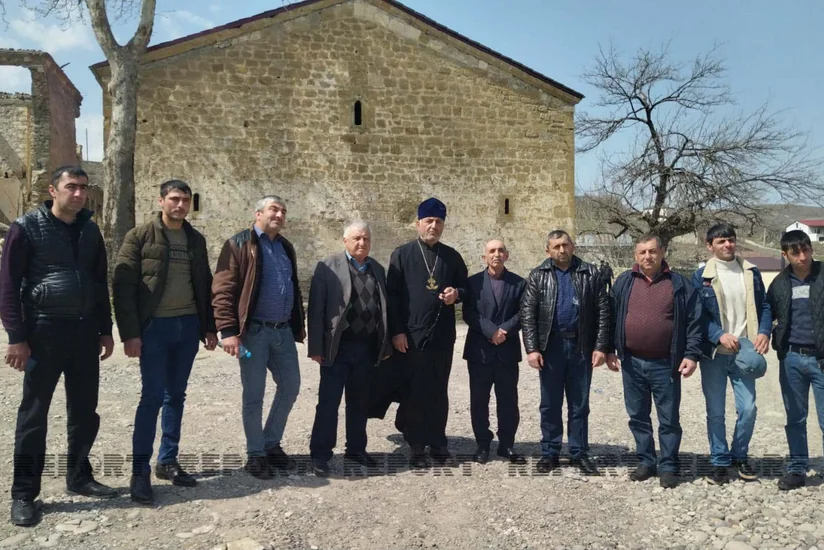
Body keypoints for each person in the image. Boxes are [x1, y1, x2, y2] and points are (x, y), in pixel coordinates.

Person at [0, 166, 116, 526]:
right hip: (43, 333)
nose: (79, 194)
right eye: (71, 187)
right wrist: (16, 337)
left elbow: (99, 283)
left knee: (84, 412)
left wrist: (105, 328)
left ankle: (79, 477)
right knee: (34, 417)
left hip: (83, 333)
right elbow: (7, 286)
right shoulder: (26, 228)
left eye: (83, 188)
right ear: (53, 190)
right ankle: (23, 494)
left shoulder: (90, 229)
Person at [113, 179, 218, 504]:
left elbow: (205, 283)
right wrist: (130, 333)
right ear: (161, 201)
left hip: (187, 328)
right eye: (174, 199)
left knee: (177, 396)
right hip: (154, 329)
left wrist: (209, 327)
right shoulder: (140, 236)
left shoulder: (195, 240)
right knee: (152, 397)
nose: (180, 205)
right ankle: (140, 472)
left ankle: (167, 460)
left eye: (185, 200)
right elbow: (123, 284)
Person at [212, 195, 305, 479]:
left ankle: (270, 443)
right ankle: (255, 454)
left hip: (282, 332)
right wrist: (228, 331)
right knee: (254, 395)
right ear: (258, 214)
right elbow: (223, 289)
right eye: (273, 209)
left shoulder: (285, 247)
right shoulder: (239, 244)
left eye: (283, 211)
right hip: (253, 333)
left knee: (291, 386)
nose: (279, 214)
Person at [607, 234, 702, 489]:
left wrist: (691, 354)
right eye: (642, 253)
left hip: (665, 364)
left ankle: (669, 464)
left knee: (669, 418)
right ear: (635, 256)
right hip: (631, 362)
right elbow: (611, 317)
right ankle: (646, 462)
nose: (647, 257)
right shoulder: (624, 282)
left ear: (662, 252)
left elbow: (695, 322)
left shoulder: (679, 284)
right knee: (637, 416)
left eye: (652, 251)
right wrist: (608, 350)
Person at [520, 230, 610, 475]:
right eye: (556, 246)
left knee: (579, 405)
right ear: (547, 251)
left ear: (573, 246)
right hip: (551, 349)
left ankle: (578, 453)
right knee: (549, 404)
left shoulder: (590, 273)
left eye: (566, 245)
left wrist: (601, 347)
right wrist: (532, 349)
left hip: (581, 348)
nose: (562, 250)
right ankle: (550, 452)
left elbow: (603, 311)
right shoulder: (539, 276)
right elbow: (528, 315)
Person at [387, 197, 468, 468]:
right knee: (414, 391)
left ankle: (438, 443)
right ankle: (416, 446)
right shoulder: (402, 254)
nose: (434, 226)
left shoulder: (452, 257)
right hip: (410, 336)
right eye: (429, 221)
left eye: (439, 222)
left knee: (438, 390)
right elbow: (392, 297)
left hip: (442, 336)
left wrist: (456, 294)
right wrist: (397, 332)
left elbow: (467, 289)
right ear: (418, 223)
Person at [307, 221, 392, 477]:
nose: (361, 243)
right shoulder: (327, 267)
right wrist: (316, 347)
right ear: (345, 240)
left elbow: (384, 308)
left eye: (365, 238)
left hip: (365, 347)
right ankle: (321, 455)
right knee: (328, 403)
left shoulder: (376, 268)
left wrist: (384, 344)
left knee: (359, 403)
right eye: (356, 238)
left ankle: (356, 449)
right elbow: (315, 309)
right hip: (337, 347)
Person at [692, 223, 771, 484]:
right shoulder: (701, 275)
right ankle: (719, 460)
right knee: (715, 411)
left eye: (731, 240)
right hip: (714, 354)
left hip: (744, 351)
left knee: (748, 408)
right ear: (709, 245)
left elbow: (765, 305)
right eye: (721, 241)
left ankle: (740, 455)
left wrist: (763, 331)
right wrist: (717, 335)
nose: (727, 245)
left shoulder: (751, 272)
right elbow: (697, 316)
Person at [767, 230, 824, 491]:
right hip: (791, 358)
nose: (802, 257)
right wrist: (763, 334)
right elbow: (767, 311)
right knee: (796, 418)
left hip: (821, 359)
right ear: (785, 254)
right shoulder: (779, 283)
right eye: (795, 252)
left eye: (806, 250)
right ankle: (798, 469)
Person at [463, 239, 526, 464]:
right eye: (491, 251)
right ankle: (482, 444)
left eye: (500, 251)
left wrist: (505, 330)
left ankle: (506, 444)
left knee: (508, 400)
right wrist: (490, 331)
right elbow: (468, 312)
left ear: (507, 255)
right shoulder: (473, 283)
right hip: (479, 351)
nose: (496, 254)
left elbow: (523, 313)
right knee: (479, 400)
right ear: (484, 257)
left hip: (507, 351)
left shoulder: (519, 284)